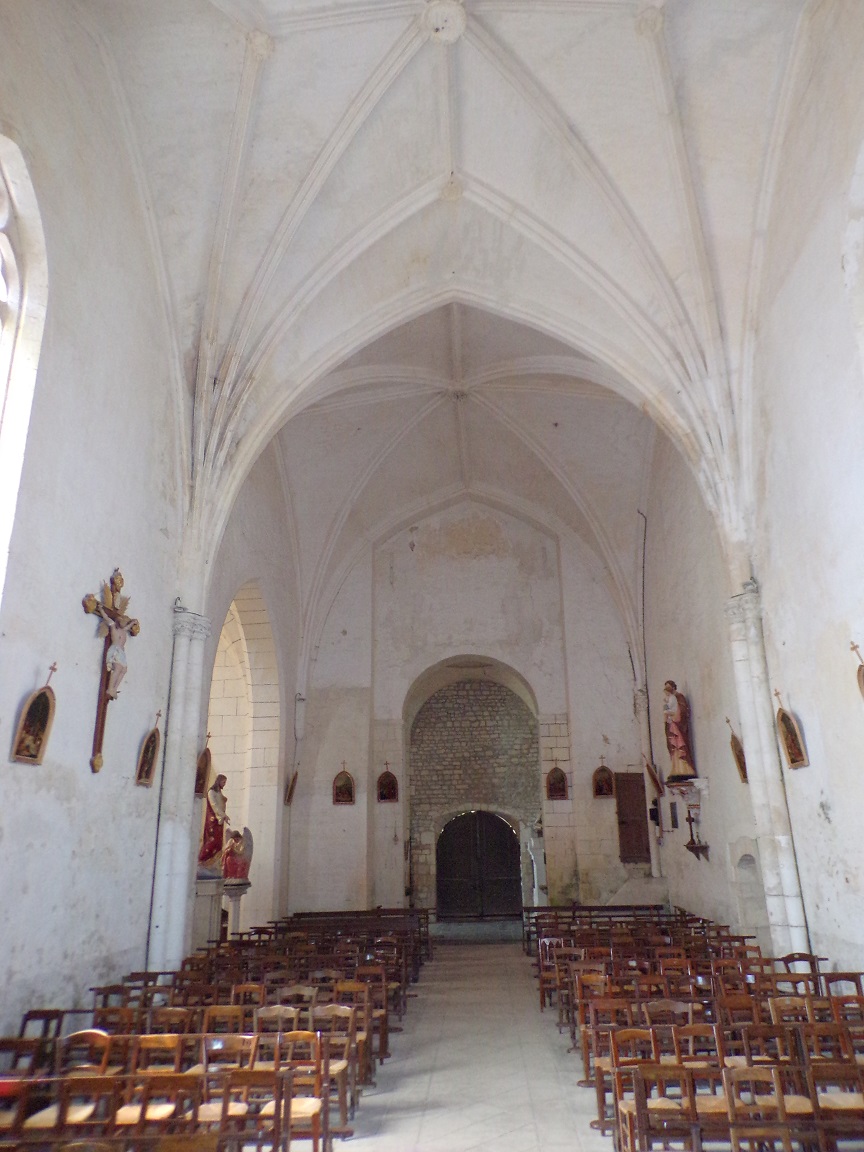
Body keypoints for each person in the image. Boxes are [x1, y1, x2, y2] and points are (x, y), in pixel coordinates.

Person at [96, 605, 139, 698]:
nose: (124, 624)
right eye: (123, 622)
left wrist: (133, 622)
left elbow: (128, 626)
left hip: (121, 653)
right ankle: (110, 688)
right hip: (115, 651)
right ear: (118, 622)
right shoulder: (113, 627)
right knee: (118, 668)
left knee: (124, 670)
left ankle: (114, 689)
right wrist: (101, 609)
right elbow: (106, 618)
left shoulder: (124, 630)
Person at [663, 680, 696, 781]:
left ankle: (686, 770)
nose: (667, 690)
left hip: (679, 727)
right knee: (674, 748)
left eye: (668, 688)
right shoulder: (670, 699)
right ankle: (677, 770)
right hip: (672, 725)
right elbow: (666, 711)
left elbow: (681, 713)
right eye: (666, 688)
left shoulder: (679, 697)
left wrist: (671, 714)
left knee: (681, 746)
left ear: (673, 687)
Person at [198, 773, 229, 871]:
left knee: (218, 842)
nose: (224, 784)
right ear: (218, 781)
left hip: (219, 820)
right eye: (223, 782)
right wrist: (223, 815)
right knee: (212, 840)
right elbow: (214, 805)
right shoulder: (211, 792)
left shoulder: (219, 792)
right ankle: (202, 860)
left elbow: (221, 804)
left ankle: (212, 864)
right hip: (213, 820)